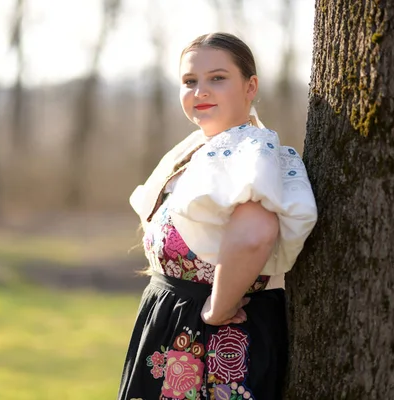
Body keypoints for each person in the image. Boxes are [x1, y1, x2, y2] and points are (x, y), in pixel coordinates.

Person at [117, 33, 318, 400]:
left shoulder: (251, 152)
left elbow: (256, 232)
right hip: (176, 325)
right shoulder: (204, 149)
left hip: (214, 340)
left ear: (250, 86)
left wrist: (217, 308)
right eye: (190, 82)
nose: (200, 91)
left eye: (217, 78)